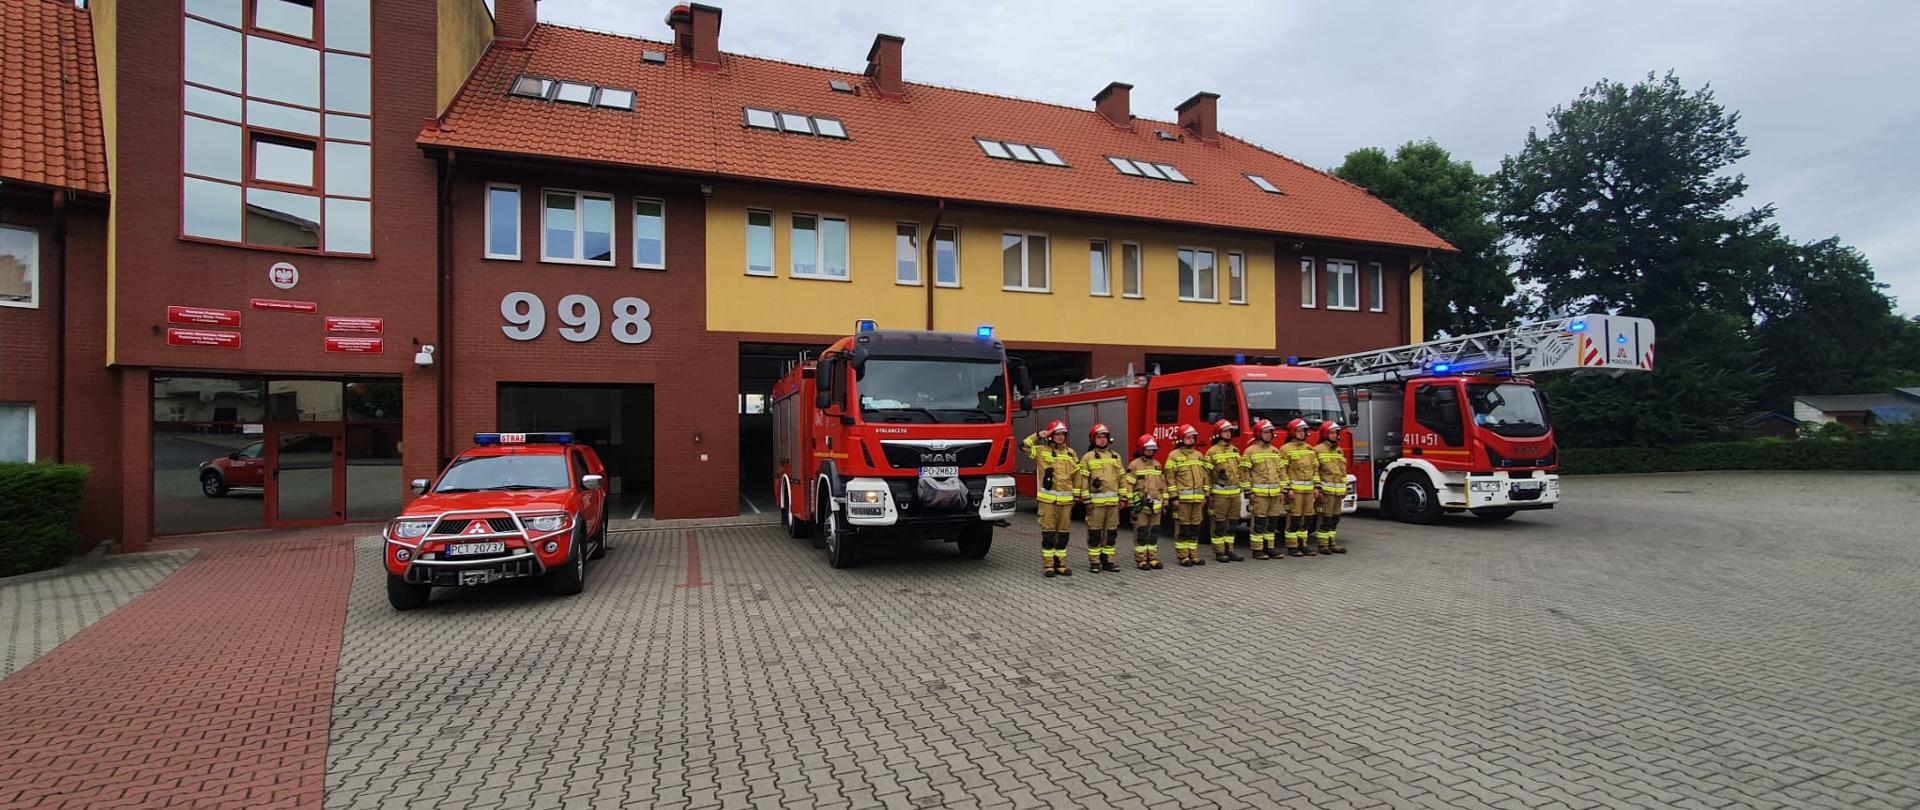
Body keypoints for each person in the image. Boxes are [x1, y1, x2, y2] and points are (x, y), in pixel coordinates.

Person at [1023, 420, 1078, 578]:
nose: (1060, 437)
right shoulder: (1041, 450)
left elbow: (1077, 475)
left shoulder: (1071, 453)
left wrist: (1078, 495)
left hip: (1066, 502)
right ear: (1051, 435)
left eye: (1063, 434)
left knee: (1063, 535)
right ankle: (1048, 566)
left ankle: (1060, 564)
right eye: (1057, 434)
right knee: (1048, 535)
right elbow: (1024, 446)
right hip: (1047, 502)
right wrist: (1038, 435)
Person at [1076, 423, 1126, 573]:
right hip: (1095, 505)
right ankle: (1095, 562)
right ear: (1093, 439)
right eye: (1099, 437)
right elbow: (1082, 481)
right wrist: (1086, 501)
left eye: (1104, 437)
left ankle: (1109, 561)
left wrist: (1123, 498)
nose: (1102, 440)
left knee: (1111, 534)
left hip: (1113, 505)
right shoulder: (1087, 458)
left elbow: (1122, 479)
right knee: (1095, 534)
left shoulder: (1116, 457)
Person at [1162, 424, 1211, 566]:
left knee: (1195, 528)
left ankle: (1194, 555)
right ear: (1181, 439)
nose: (1190, 440)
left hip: (1197, 500)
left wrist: (1205, 495)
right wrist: (1174, 497)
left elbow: (1205, 478)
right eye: (1187, 437)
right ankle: (1183, 556)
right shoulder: (1174, 456)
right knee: (1183, 528)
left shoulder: (1199, 455)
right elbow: (1170, 479)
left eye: (1192, 437)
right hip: (1182, 501)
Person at [1240, 419, 1286, 559]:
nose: (1269, 435)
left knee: (1272, 522)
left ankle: (1270, 547)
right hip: (1259, 495)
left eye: (1271, 432)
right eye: (1266, 432)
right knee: (1259, 523)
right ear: (1259, 433)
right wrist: (1249, 493)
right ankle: (1257, 549)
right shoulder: (1250, 451)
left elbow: (1282, 472)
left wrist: (1283, 490)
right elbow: (1244, 473)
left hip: (1275, 494)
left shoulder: (1275, 451)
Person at [1204, 420, 1246, 563]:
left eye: (1229, 431)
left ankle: (1230, 549)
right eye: (1225, 431)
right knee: (1219, 523)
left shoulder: (1235, 450)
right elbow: (1206, 474)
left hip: (1234, 494)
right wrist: (1208, 493)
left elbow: (1240, 471)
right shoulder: (1212, 452)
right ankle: (1219, 551)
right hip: (1219, 494)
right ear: (1218, 433)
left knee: (1232, 523)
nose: (1228, 434)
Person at [1123, 435, 1166, 570]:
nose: (1150, 451)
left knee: (1153, 533)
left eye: (1152, 449)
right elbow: (1128, 485)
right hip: (1141, 506)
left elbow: (1163, 486)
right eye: (1148, 449)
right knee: (1141, 532)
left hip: (1156, 506)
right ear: (1142, 449)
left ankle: (1152, 558)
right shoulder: (1134, 465)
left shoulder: (1157, 465)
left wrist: (1165, 502)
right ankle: (1141, 560)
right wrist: (1130, 502)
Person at [1280, 418, 1321, 557]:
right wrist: (1288, 489)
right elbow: (1283, 471)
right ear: (1292, 432)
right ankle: (1292, 546)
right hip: (1295, 492)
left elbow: (1315, 470)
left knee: (1307, 518)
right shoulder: (1285, 449)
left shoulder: (1310, 449)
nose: (1302, 433)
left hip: (1309, 492)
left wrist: (1316, 487)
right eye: (1299, 430)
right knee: (1294, 519)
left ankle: (1303, 544)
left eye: (1303, 430)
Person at [1313, 421, 1350, 555]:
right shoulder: (1317, 450)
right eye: (1332, 433)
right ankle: (1323, 545)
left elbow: (1342, 471)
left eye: (1336, 433)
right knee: (1325, 518)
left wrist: (1346, 486)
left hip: (1338, 491)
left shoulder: (1339, 450)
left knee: (1335, 518)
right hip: (1326, 492)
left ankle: (1332, 543)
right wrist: (1318, 489)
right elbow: (1315, 471)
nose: (1334, 436)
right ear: (1325, 434)